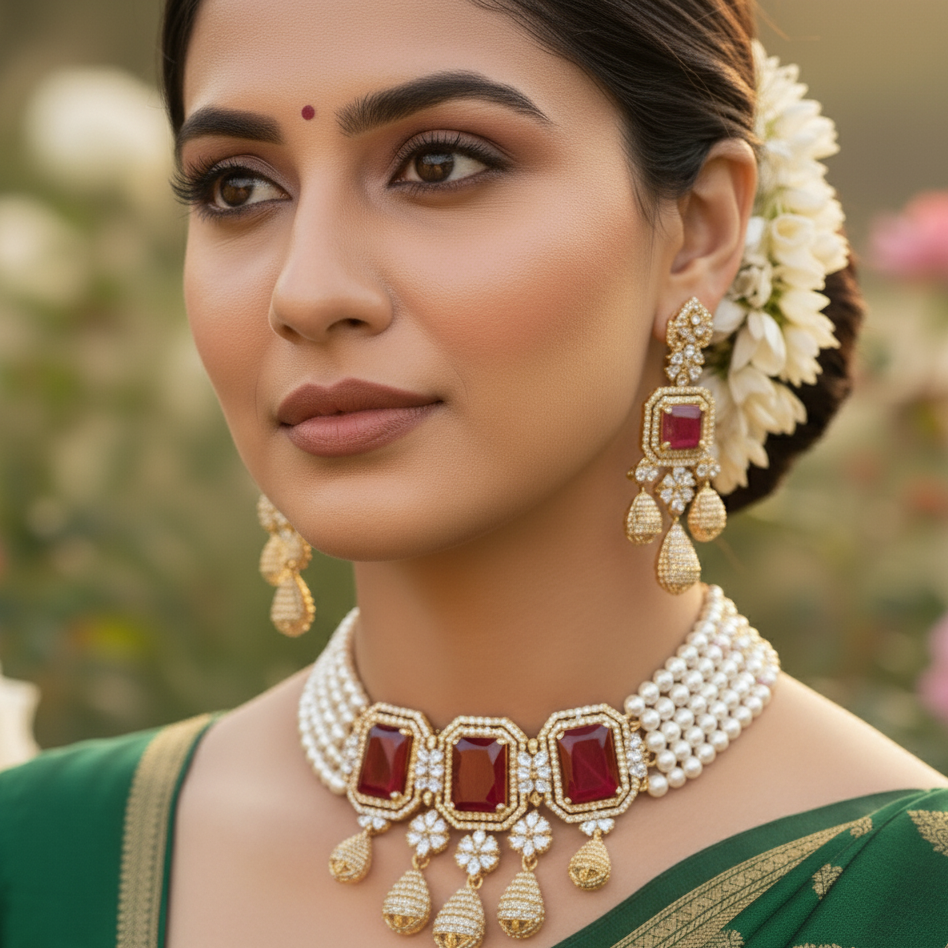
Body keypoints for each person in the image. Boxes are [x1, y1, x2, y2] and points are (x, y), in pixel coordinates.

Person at [1, 0, 947, 946]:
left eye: (438, 165)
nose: (307, 291)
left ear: (698, 233)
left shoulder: (904, 897)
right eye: (237, 188)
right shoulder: (43, 857)